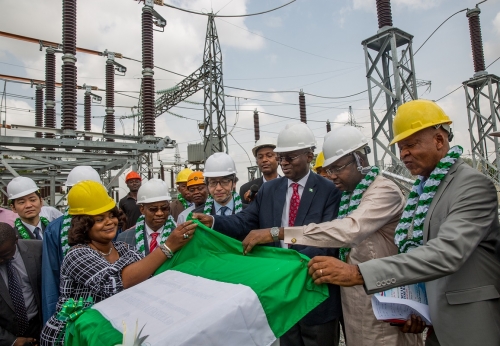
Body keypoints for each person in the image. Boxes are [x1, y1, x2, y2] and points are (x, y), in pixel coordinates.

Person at [305, 100, 500, 346]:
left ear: (439, 140)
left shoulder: (471, 185)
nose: (403, 154)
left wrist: (358, 273)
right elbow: (415, 249)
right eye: (400, 147)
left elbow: (446, 253)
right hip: (435, 322)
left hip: (467, 324)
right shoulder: (424, 189)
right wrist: (417, 306)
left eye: (410, 145)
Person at [242, 126, 422, 346]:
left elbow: (348, 230)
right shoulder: (350, 196)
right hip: (354, 299)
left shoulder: (383, 191)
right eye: (329, 169)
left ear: (360, 159)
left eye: (338, 167)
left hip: (382, 300)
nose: (332, 176)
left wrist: (280, 233)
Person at [194, 122, 343, 346]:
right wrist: (215, 221)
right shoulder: (269, 189)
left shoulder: (329, 190)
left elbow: (327, 240)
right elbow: (245, 222)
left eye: (289, 158)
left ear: (309, 155)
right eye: (281, 157)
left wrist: (288, 262)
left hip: (314, 292)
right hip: (281, 296)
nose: (283, 163)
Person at [40, 180, 196, 345]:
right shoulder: (77, 254)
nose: (109, 222)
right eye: (100, 219)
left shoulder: (124, 249)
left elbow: (146, 281)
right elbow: (114, 284)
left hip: (111, 332)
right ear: (84, 225)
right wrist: (168, 247)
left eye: (111, 216)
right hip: (76, 336)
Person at [41, 166, 102, 323]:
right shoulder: (55, 229)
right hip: (71, 307)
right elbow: (51, 276)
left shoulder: (109, 225)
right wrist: (54, 321)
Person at [0, 222, 43, 346]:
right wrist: (12, 341)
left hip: (38, 328)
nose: (0, 260)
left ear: (16, 240)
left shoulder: (38, 250)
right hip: (5, 334)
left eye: (5, 255)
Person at [118, 179, 176, 256]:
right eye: (153, 209)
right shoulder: (125, 239)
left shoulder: (179, 235)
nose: (160, 213)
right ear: (142, 209)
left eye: (164, 208)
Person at [239, 137, 279, 203]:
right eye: (260, 157)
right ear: (257, 161)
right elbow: (245, 212)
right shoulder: (246, 189)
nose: (264, 160)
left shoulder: (289, 185)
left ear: (278, 158)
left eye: (269, 155)